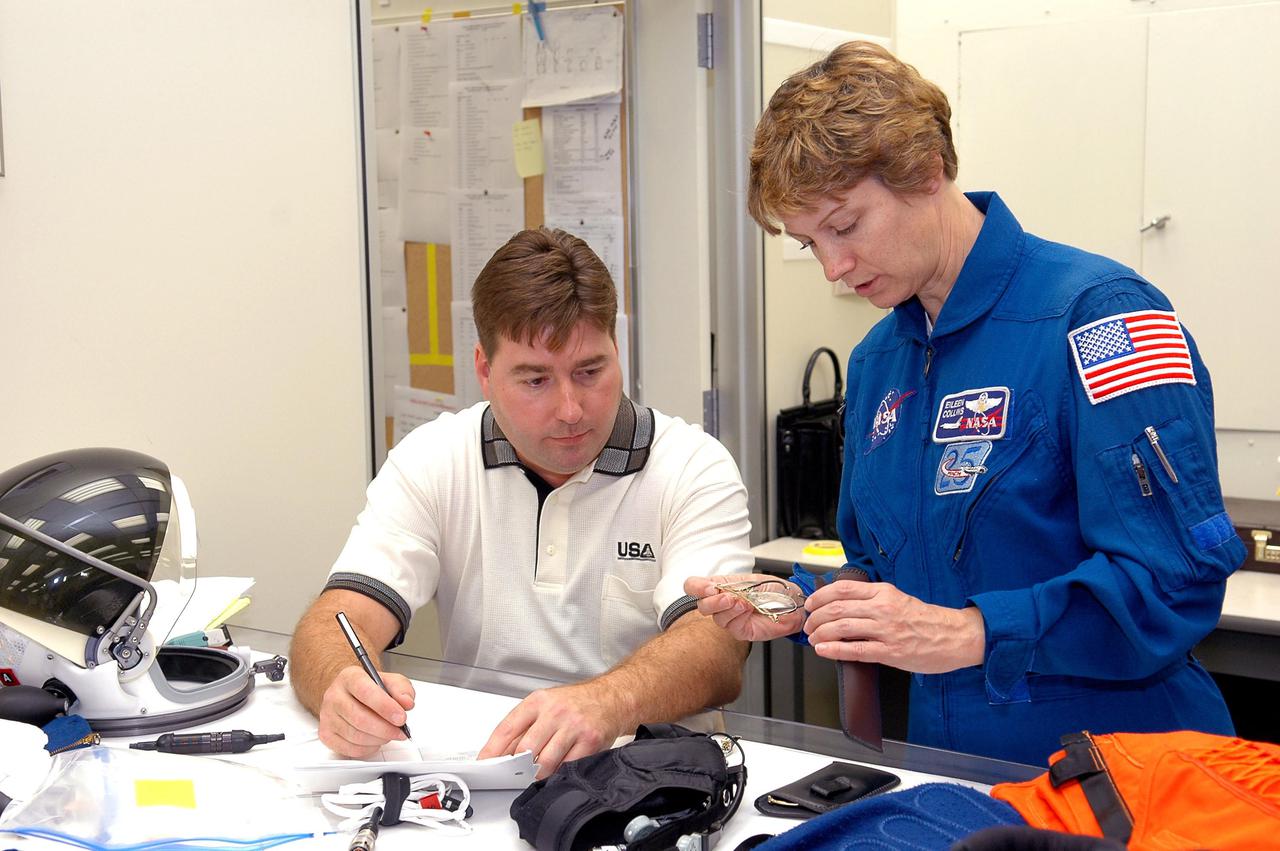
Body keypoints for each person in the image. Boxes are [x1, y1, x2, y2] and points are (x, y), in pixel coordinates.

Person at [686, 41, 1246, 766]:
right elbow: (892, 577)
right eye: (808, 243)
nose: (833, 267)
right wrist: (798, 605)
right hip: (958, 774)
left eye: (845, 226)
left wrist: (969, 633)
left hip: (1128, 771)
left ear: (926, 170)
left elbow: (1174, 579)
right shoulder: (879, 360)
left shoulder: (1102, 318)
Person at [291, 227, 752, 776]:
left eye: (590, 371)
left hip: (651, 775)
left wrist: (607, 701)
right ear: (485, 371)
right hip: (484, 767)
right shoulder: (433, 458)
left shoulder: (692, 466)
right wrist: (341, 687)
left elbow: (717, 647)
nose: (571, 409)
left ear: (617, 351)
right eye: (536, 380)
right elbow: (336, 619)